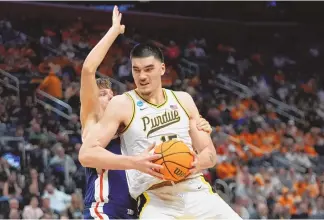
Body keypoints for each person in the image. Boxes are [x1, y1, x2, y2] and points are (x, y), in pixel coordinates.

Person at [79, 6, 213, 219]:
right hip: (104, 209)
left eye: (111, 94)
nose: (109, 97)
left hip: (137, 209)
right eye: (103, 94)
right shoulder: (92, 121)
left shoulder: (124, 121)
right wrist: (114, 31)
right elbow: (88, 70)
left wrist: (199, 125)